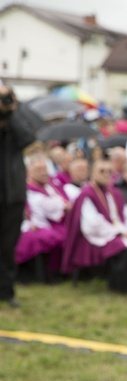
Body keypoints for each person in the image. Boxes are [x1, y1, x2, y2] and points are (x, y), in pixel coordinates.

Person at [61, 158, 127, 292]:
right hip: (97, 237)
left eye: (109, 171)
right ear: (92, 173)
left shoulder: (114, 193)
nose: (106, 174)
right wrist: (120, 233)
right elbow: (92, 224)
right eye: (102, 171)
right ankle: (125, 287)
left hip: (118, 231)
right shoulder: (87, 194)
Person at [0, 83, 38, 308]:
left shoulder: (16, 119)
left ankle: (6, 291)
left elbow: (27, 138)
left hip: (13, 195)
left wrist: (11, 110)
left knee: (7, 247)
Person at [15, 152, 70, 282]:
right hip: (33, 224)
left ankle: (60, 272)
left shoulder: (50, 185)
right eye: (38, 170)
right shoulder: (26, 188)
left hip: (49, 222)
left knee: (66, 234)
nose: (43, 173)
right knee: (51, 237)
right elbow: (45, 207)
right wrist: (61, 205)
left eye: (45, 169)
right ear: (28, 171)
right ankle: (49, 275)